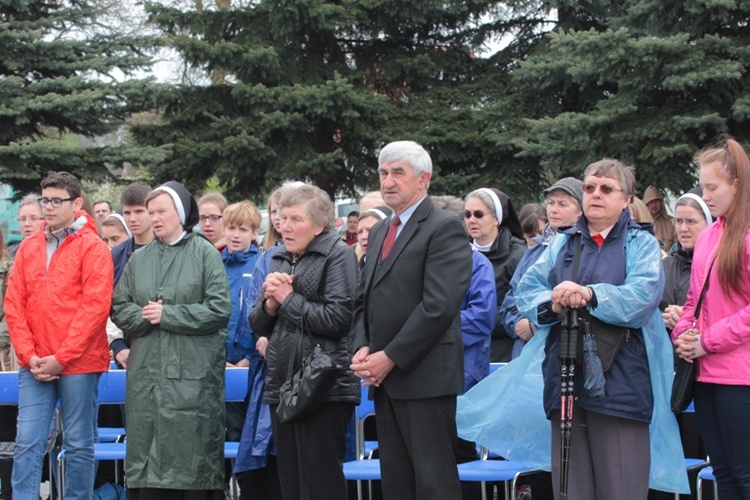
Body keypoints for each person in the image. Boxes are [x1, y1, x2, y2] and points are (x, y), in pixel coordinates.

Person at [514, 159, 678, 499]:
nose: (596, 195)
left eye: (607, 189)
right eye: (589, 188)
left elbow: (642, 297)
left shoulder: (640, 244)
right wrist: (555, 301)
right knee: (571, 488)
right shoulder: (561, 243)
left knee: (621, 486)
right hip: (565, 376)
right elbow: (527, 292)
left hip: (620, 382)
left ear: (626, 198)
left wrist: (590, 294)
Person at [350, 141, 472, 500]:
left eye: (398, 173)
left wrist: (389, 358)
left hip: (425, 377)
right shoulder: (380, 229)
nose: (388, 181)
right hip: (384, 378)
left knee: (434, 483)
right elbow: (363, 299)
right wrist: (362, 346)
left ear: (423, 180)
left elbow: (438, 307)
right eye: (383, 173)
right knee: (397, 482)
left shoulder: (443, 228)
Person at [111, 181, 231, 500]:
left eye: (161, 211)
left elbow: (220, 309)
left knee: (192, 458)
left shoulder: (205, 253)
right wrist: (146, 318)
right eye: (151, 212)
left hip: (194, 375)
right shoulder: (139, 260)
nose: (154, 218)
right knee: (148, 458)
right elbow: (119, 307)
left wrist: (169, 316)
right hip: (147, 373)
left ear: (179, 213)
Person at [4, 171, 113, 500]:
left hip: (79, 362)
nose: (48, 207)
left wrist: (61, 358)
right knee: (27, 442)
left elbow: (95, 308)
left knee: (79, 443)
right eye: (44, 200)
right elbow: (14, 305)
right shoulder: (27, 247)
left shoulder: (93, 247)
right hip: (35, 362)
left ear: (76, 203)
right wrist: (29, 355)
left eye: (55, 201)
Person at [249, 182, 359, 500]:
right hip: (283, 383)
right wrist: (269, 303)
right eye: (282, 218)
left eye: (295, 219)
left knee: (321, 480)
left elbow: (338, 320)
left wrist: (287, 298)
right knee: (292, 481)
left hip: (323, 385)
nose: (285, 227)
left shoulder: (339, 256)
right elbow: (256, 324)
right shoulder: (279, 256)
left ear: (319, 224)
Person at [672, 137, 750, 500]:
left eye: (712, 187)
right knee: (721, 470)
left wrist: (707, 340)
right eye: (702, 186)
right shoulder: (708, 237)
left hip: (740, 376)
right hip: (705, 373)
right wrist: (685, 334)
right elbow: (694, 299)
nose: (705, 196)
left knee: (743, 472)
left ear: (736, 185)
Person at [233, 186, 291, 500]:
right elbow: (252, 312)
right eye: (278, 212)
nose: (284, 219)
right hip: (267, 369)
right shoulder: (266, 259)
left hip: (306, 368)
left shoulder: (331, 255)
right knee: (264, 455)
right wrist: (263, 336)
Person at [501, 177, 584, 359]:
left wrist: (536, 324)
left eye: (562, 204)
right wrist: (518, 323)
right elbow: (512, 298)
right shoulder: (535, 251)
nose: (553, 209)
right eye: (551, 203)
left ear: (580, 211)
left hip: (567, 352)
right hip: (527, 353)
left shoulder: (586, 250)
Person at [464, 187, 527, 362]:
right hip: (463, 346)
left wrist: (477, 318)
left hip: (502, 350)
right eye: (467, 215)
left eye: (478, 214)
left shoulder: (518, 255)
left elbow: (520, 307)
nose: (472, 220)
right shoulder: (458, 251)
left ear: (496, 219)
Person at [660, 192, 712, 332]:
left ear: (709, 223)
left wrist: (688, 319)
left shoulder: (720, 267)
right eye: (679, 221)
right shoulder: (663, 267)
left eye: (691, 221)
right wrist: (663, 318)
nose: (683, 228)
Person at [0, 228, 15, 499]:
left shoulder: (8, 270)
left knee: (5, 432)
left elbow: (12, 314)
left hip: (3, 359)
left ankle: (9, 493)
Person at [8, 193, 44, 258]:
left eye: (33, 218)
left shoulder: (54, 252)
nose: (26, 224)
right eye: (23, 219)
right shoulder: (10, 253)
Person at [644, 185, 677, 251]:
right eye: (651, 201)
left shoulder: (672, 223)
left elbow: (677, 249)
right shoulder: (640, 223)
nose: (654, 205)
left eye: (656, 201)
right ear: (646, 204)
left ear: (661, 202)